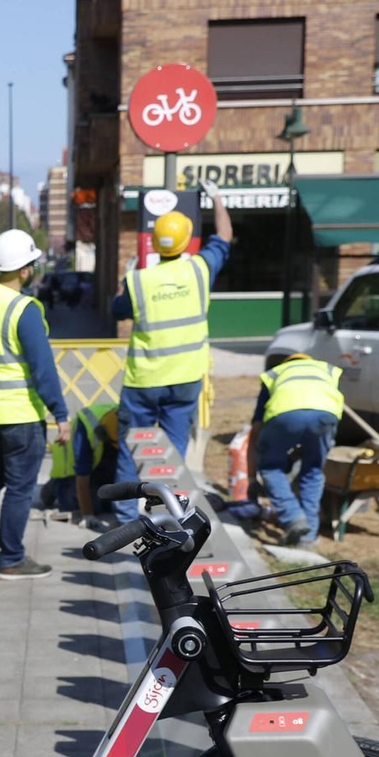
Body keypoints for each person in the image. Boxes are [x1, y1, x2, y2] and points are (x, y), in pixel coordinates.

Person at [111, 183, 232, 520]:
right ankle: (167, 514)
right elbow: (224, 234)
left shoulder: (139, 280)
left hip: (144, 381)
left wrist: (125, 280)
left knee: (132, 447)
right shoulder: (200, 270)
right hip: (184, 378)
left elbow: (116, 309)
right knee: (173, 452)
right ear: (185, 241)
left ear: (154, 242)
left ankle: (124, 517)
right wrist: (218, 199)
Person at [0, 229, 69, 581]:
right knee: (20, 487)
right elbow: (43, 369)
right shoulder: (25, 309)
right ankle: (12, 558)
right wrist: (61, 414)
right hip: (20, 413)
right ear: (24, 270)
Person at [240, 352, 344, 546]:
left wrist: (253, 474)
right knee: (313, 470)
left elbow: (256, 427)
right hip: (325, 416)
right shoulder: (325, 370)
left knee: (271, 468)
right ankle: (309, 535)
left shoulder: (275, 374)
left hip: (284, 416)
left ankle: (293, 517)